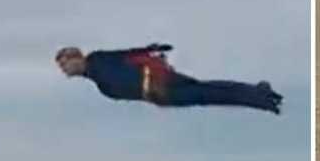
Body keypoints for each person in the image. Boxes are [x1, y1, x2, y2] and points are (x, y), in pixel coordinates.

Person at [54, 44, 283, 114]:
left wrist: (151, 48)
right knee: (206, 93)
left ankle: (259, 94)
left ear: (77, 57)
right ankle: (260, 97)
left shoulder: (98, 60)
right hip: (161, 95)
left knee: (208, 89)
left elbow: (125, 54)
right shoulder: (101, 86)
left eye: (65, 63)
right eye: (62, 66)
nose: (64, 69)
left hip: (160, 78)